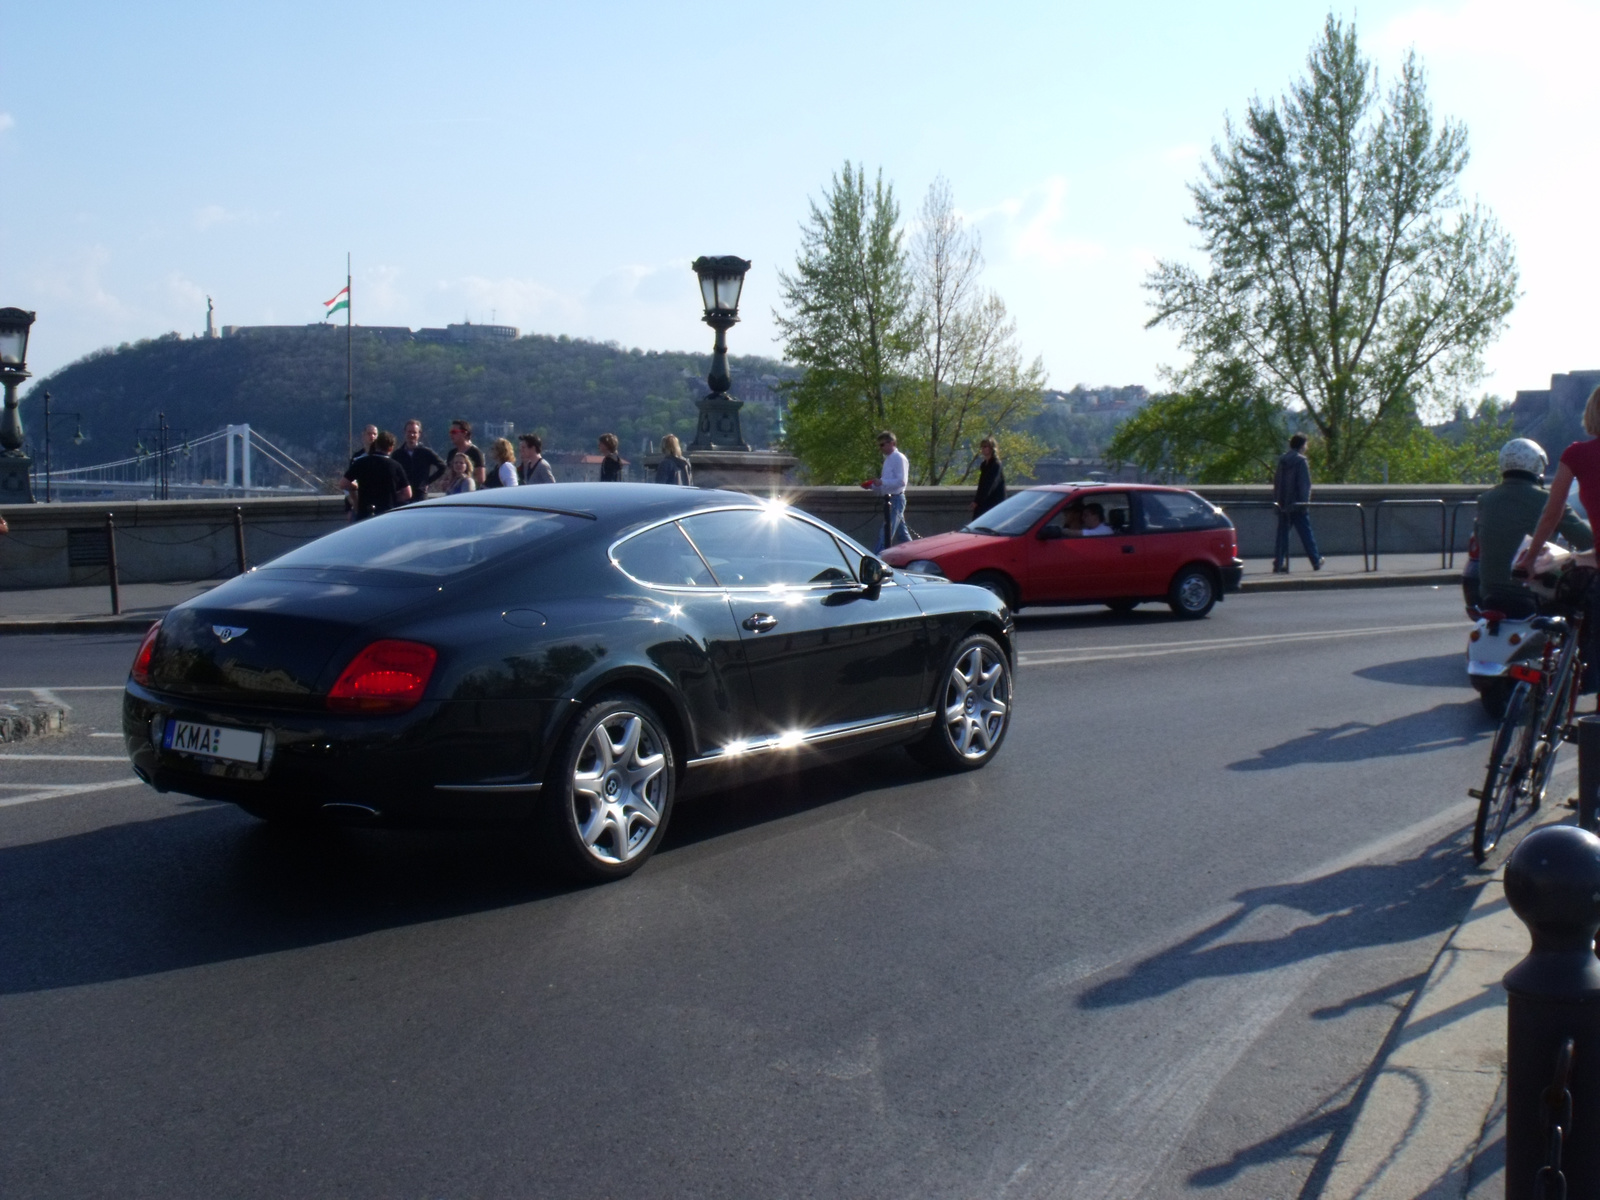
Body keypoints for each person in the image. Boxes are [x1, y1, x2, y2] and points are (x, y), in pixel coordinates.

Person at [1476, 439, 1591, 616]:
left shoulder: (1486, 499)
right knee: (1582, 609)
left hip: (1488, 593)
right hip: (1530, 593)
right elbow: (1586, 539)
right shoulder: (1547, 499)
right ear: (1538, 466)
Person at [1272, 433, 1323, 572]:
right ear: (1301, 445)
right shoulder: (1301, 461)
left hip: (1284, 504)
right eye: (1305, 444)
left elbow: (1277, 483)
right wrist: (1305, 504)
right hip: (1297, 505)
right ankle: (1316, 560)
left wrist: (1278, 501)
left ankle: (1278, 563)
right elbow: (1304, 485)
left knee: (1282, 536)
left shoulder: (1282, 461)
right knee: (1306, 534)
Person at [339, 429, 411, 519]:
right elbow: (407, 493)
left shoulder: (361, 462)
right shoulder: (395, 466)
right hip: (387, 512)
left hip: (365, 512)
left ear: (376, 445)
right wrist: (392, 497)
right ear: (391, 448)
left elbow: (343, 483)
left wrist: (355, 488)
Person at [861, 430, 910, 551]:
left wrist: (882, 482)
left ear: (892, 443)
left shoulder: (899, 458)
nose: (880, 448)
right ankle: (917, 556)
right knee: (902, 535)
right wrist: (872, 486)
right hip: (891, 498)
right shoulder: (889, 459)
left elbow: (901, 481)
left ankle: (876, 560)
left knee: (886, 533)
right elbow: (886, 482)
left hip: (896, 498)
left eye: (882, 444)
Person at [393, 419, 447, 503]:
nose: (411, 435)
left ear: (419, 434)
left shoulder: (425, 452)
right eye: (409, 432)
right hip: (403, 495)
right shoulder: (397, 454)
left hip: (420, 495)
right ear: (404, 432)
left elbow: (442, 466)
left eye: (414, 432)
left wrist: (427, 482)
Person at [973, 436, 1005, 517]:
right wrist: (976, 500)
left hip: (994, 503)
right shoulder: (984, 465)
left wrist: (978, 501)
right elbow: (981, 485)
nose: (983, 449)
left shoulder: (996, 464)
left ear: (991, 448)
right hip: (984, 502)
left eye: (985, 447)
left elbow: (990, 484)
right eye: (982, 447)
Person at [448, 419, 486, 486]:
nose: (451, 435)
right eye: (450, 432)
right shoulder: (451, 453)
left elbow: (481, 479)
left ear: (464, 433)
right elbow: (448, 475)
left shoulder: (475, 453)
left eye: (454, 432)